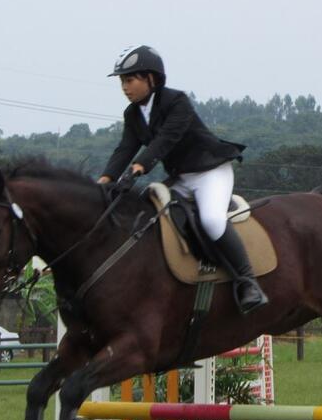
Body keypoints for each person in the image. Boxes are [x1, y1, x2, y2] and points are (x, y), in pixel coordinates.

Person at [97, 45, 268, 314]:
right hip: (181, 178)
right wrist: (105, 181)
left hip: (211, 172)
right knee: (144, 208)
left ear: (151, 79)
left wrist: (138, 168)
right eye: (122, 81)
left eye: (129, 80)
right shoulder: (132, 114)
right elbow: (125, 149)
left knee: (212, 220)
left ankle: (248, 281)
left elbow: (166, 140)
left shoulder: (176, 101)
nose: (124, 87)